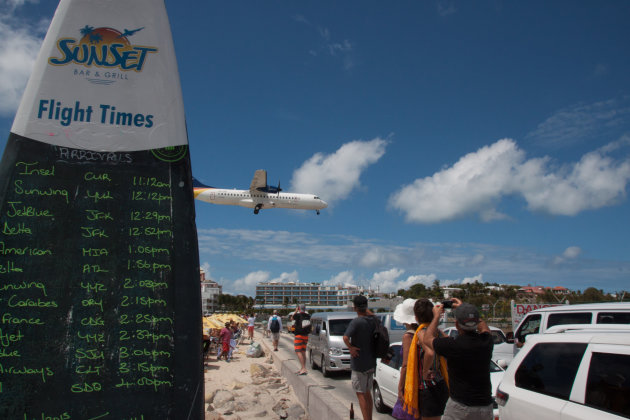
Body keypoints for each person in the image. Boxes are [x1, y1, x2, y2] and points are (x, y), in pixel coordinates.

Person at [423, 298, 494, 420]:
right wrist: (466, 310)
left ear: (456, 325)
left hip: (460, 407)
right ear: (476, 323)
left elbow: (427, 339)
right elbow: (484, 329)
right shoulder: (487, 341)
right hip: (485, 407)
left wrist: (436, 316)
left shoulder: (453, 345)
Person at [343, 295, 379, 420]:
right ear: (366, 306)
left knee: (361, 395)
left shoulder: (356, 322)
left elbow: (345, 337)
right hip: (371, 362)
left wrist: (351, 348)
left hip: (359, 364)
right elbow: (372, 314)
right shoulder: (373, 320)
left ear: (354, 308)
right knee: (367, 393)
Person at [392, 298, 419, 418]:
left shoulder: (408, 336)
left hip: (412, 382)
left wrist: (400, 387)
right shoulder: (427, 332)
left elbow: (406, 365)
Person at [290, 304, 311, 375]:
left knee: (298, 351)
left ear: (299, 308)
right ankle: (303, 368)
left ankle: (303, 368)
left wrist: (295, 311)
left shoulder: (298, 315)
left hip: (299, 335)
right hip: (306, 336)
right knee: (303, 352)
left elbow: (292, 318)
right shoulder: (308, 316)